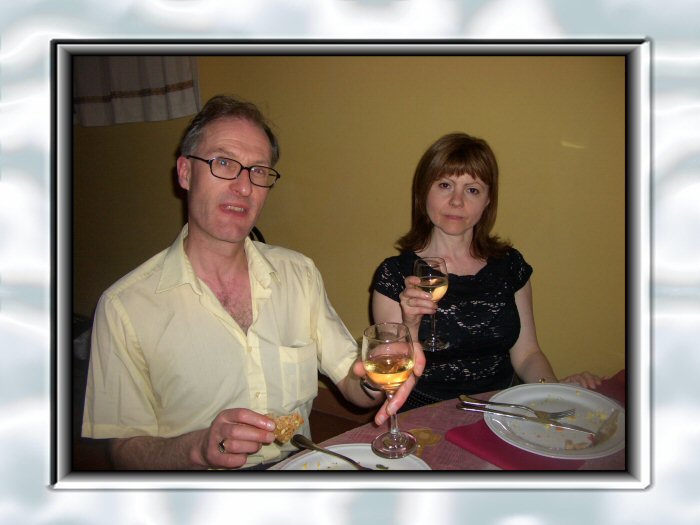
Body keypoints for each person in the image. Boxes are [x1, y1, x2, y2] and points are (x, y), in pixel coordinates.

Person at [82, 95, 423, 469]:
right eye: (223, 163)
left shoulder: (299, 274)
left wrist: (375, 376)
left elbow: (353, 384)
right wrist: (198, 449)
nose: (244, 187)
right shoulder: (124, 307)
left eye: (258, 171)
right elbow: (124, 451)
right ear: (185, 172)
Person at [371, 132, 600, 411]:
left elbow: (527, 354)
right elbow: (391, 378)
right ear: (423, 192)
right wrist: (411, 326)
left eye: (472, 190)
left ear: (488, 200)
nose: (457, 201)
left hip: (504, 407)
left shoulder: (509, 265)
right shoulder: (394, 275)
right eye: (445, 185)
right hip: (424, 412)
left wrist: (551, 394)